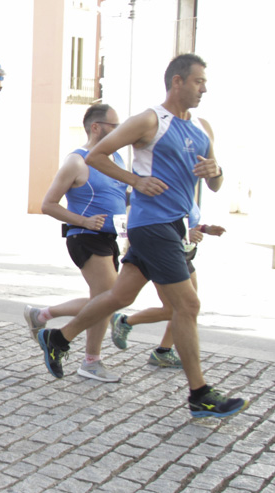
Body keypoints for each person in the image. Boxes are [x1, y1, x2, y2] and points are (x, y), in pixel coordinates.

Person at [36, 54, 247, 418]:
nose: (204, 89)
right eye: (199, 82)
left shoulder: (201, 126)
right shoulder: (150, 120)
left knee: (120, 294)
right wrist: (136, 181)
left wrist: (217, 171)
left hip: (174, 225)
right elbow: (97, 155)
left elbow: (214, 185)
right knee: (188, 305)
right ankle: (199, 394)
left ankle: (58, 337)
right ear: (177, 82)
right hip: (151, 225)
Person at [23, 104, 128, 383]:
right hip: (84, 237)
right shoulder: (77, 162)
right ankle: (88, 360)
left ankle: (43, 315)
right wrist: (83, 221)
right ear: (96, 127)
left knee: (103, 300)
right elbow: (48, 204)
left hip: (110, 237)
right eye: (115, 126)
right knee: (108, 298)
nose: (120, 131)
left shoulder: (116, 158)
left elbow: (123, 197)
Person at [110, 224, 223, 367]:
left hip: (183, 255)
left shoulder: (189, 201)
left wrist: (203, 229)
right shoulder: (159, 201)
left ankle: (163, 351)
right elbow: (159, 222)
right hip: (163, 253)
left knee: (188, 309)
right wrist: (186, 234)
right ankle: (125, 321)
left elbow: (186, 221)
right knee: (175, 309)